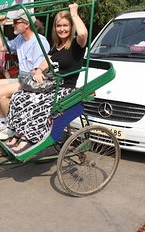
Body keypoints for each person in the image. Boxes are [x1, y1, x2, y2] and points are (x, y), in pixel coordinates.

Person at [5, 3, 88, 153]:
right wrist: (38, 71)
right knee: (19, 96)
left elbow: (83, 34)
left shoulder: (76, 44)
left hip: (64, 89)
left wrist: (74, 13)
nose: (62, 29)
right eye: (59, 26)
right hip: (51, 86)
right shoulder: (57, 46)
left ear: (71, 27)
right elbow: (46, 61)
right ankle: (19, 132)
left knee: (34, 102)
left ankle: (30, 137)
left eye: (65, 25)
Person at [0, 9, 50, 140]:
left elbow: (37, 71)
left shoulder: (39, 41)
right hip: (22, 79)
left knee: (2, 92)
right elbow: (1, 47)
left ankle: (12, 126)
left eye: (16, 22)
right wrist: (0, 25)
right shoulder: (20, 39)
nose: (13, 25)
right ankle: (4, 121)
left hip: (33, 81)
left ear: (26, 24)